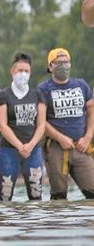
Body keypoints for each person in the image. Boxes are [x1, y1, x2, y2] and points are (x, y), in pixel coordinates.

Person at [37, 48, 94, 199]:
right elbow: (41, 121)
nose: (63, 65)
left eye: (66, 62)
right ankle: (60, 221)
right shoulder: (43, 89)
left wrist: (88, 137)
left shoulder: (82, 85)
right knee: (59, 194)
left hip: (81, 146)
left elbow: (91, 112)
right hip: (56, 147)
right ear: (50, 66)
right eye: (58, 62)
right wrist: (60, 138)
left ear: (70, 64)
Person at [0, 53, 44, 202]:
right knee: (5, 194)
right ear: (12, 71)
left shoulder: (37, 94)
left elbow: (41, 125)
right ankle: (5, 224)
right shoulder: (3, 95)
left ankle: (33, 224)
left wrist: (30, 146)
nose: (23, 74)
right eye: (20, 70)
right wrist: (20, 146)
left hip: (33, 150)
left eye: (26, 71)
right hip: (9, 149)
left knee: (36, 194)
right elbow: (2, 125)